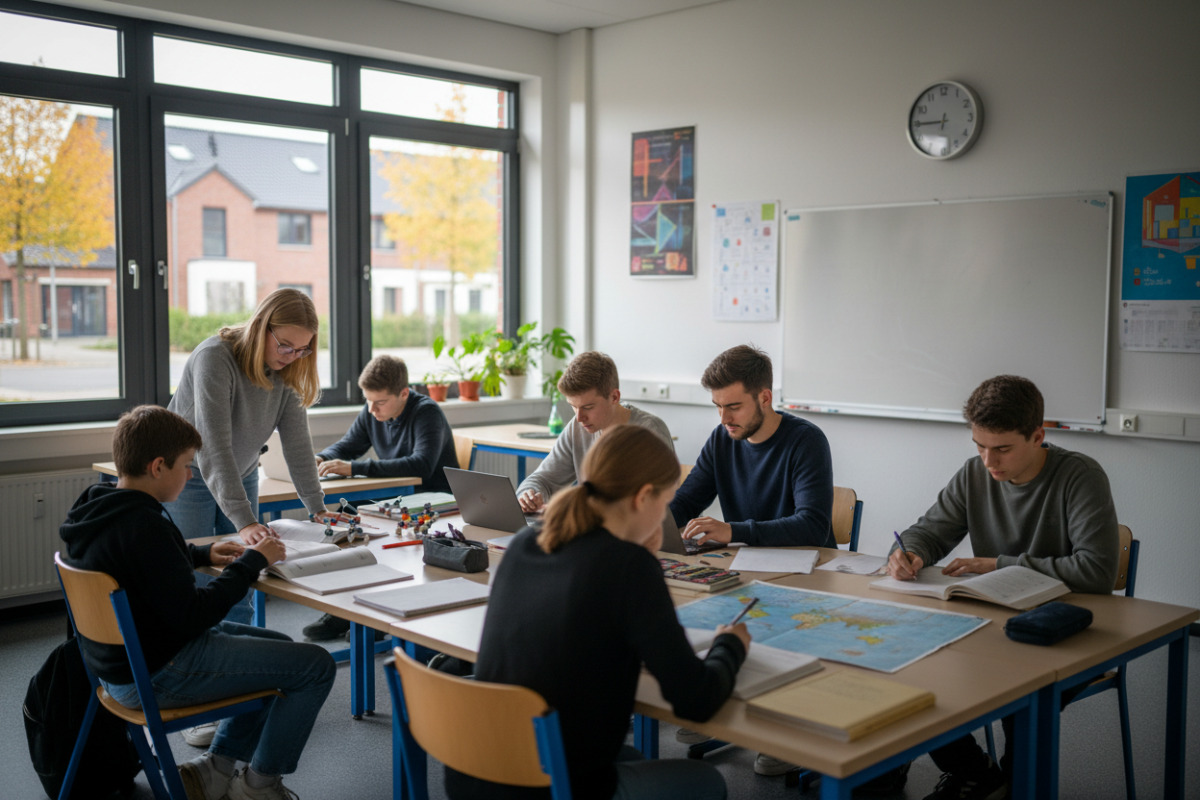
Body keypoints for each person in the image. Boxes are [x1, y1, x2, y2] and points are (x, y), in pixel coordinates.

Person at [448, 424, 749, 800]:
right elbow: (696, 701)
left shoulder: (528, 541)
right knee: (707, 782)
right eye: (665, 504)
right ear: (642, 497)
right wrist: (729, 646)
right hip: (550, 786)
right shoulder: (629, 566)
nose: (665, 518)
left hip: (476, 768)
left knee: (634, 757)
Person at [60, 405, 336, 800]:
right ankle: (259, 787)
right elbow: (196, 615)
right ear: (158, 466)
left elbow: (134, 564)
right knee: (315, 666)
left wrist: (200, 556)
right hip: (157, 671)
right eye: (187, 466)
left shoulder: (99, 505)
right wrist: (253, 562)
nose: (191, 475)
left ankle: (217, 770)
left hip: (119, 667)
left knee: (282, 645)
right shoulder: (146, 525)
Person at [888, 375, 1119, 800]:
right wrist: (911, 553)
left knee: (1023, 694)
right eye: (979, 446)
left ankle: (1017, 782)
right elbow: (930, 530)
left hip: (1066, 629)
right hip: (993, 620)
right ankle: (976, 774)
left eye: (1002, 449)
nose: (988, 461)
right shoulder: (975, 473)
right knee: (910, 666)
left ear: (1037, 436)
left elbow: (1098, 571)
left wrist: (999, 564)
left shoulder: (1080, 476)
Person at [165, 287, 327, 747]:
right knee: (197, 587)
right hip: (190, 474)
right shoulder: (215, 358)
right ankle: (198, 706)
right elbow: (211, 446)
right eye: (285, 345)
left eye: (303, 349)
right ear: (262, 328)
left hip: (243, 472)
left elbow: (297, 446)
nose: (293, 356)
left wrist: (318, 508)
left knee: (240, 585)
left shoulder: (288, 370)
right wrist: (243, 518)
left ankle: (235, 694)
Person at [668, 343, 835, 777]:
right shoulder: (723, 439)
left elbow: (812, 526)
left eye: (734, 406)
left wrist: (734, 530)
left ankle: (780, 727)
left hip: (803, 576)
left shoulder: (806, 440)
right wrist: (647, 525)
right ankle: (730, 710)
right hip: (743, 570)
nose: (724, 419)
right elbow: (687, 499)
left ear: (765, 396)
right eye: (717, 407)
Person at [302, 354, 458, 641]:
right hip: (396, 501)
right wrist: (323, 456)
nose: (372, 410)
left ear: (403, 393)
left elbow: (420, 465)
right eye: (367, 401)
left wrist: (354, 468)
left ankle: (373, 617)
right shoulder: (373, 411)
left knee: (370, 530)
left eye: (380, 402)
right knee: (348, 521)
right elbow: (350, 444)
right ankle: (347, 609)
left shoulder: (427, 412)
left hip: (433, 504)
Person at [516, 351, 673, 512]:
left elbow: (654, 504)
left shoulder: (650, 431)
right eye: (573, 406)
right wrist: (528, 494)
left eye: (588, 407)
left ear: (614, 397)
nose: (579, 418)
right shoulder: (577, 428)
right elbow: (543, 479)